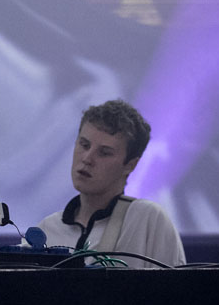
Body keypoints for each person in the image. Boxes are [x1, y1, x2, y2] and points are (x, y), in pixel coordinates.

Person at [38, 99, 185, 268]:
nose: (87, 159)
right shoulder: (47, 229)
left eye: (104, 153)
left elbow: (178, 285)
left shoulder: (149, 219)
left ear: (130, 165)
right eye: (84, 145)